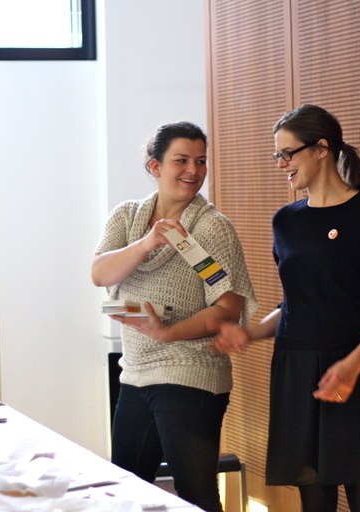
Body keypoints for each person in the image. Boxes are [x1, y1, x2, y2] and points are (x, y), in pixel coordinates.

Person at [211, 104, 360, 512]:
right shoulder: (286, 221)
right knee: (313, 499)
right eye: (277, 155)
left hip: (354, 368)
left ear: (321, 149)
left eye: (288, 153)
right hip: (295, 369)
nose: (281, 163)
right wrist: (250, 333)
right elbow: (296, 303)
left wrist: (353, 365)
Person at [91, 121, 257, 512]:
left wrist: (169, 333)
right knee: (124, 488)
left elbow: (228, 307)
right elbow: (100, 273)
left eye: (200, 161)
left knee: (195, 492)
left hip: (191, 372)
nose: (193, 171)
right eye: (181, 160)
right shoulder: (127, 217)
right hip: (136, 371)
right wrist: (149, 242)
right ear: (155, 167)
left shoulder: (211, 226)